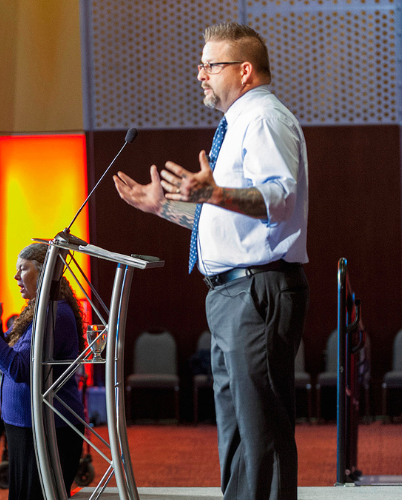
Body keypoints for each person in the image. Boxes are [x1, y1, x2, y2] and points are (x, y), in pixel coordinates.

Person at [113, 22, 309, 500]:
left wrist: (215, 192)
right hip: (230, 294)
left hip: (256, 290)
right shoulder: (236, 124)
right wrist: (165, 207)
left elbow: (278, 198)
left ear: (244, 71)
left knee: (261, 427)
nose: (200, 74)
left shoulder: (263, 119)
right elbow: (223, 223)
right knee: (239, 430)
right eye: (200, 65)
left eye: (210, 65)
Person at [0, 243, 85, 499]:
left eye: (22, 269)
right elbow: (7, 362)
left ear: (44, 271)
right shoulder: (40, 310)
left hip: (48, 426)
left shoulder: (54, 314)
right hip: (26, 423)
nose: (15, 277)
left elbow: (21, 370)